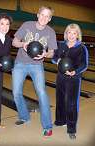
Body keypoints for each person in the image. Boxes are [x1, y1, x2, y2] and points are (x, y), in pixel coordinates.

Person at [12, 6, 57, 137]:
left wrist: (44, 54)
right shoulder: (27, 25)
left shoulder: (51, 32)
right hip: (20, 63)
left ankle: (47, 126)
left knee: (42, 93)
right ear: (37, 15)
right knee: (16, 92)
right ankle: (24, 117)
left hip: (37, 65)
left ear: (50, 19)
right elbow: (14, 42)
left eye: (47, 16)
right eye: (42, 14)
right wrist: (23, 44)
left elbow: (52, 53)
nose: (44, 18)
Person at [52, 23, 89, 139]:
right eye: (69, 32)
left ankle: (71, 128)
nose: (71, 35)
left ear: (78, 35)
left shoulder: (81, 47)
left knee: (71, 103)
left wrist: (75, 72)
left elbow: (85, 64)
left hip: (74, 78)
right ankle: (60, 121)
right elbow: (54, 57)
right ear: (66, 34)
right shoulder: (61, 44)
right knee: (60, 100)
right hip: (61, 76)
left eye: (74, 33)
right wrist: (57, 61)